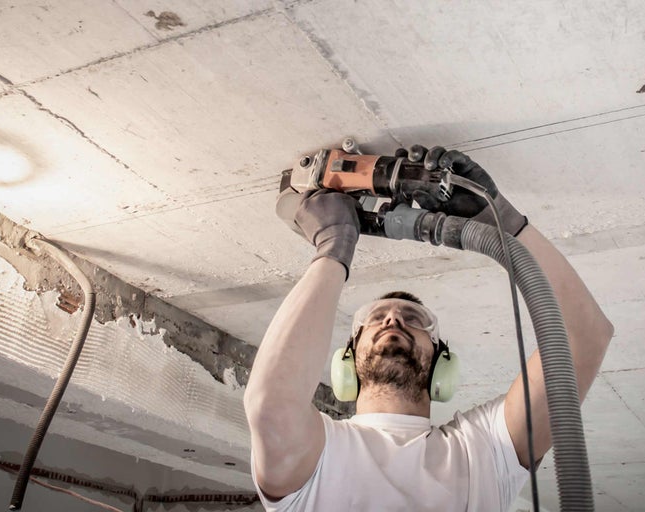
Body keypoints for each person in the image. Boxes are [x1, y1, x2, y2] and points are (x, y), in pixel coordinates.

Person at [243, 146, 614, 511]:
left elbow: (586, 337)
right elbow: (271, 406)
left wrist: (503, 223)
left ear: (442, 363)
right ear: (347, 361)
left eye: (415, 320)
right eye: (375, 318)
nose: (393, 320)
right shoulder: (321, 450)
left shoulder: (485, 449)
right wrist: (334, 245)